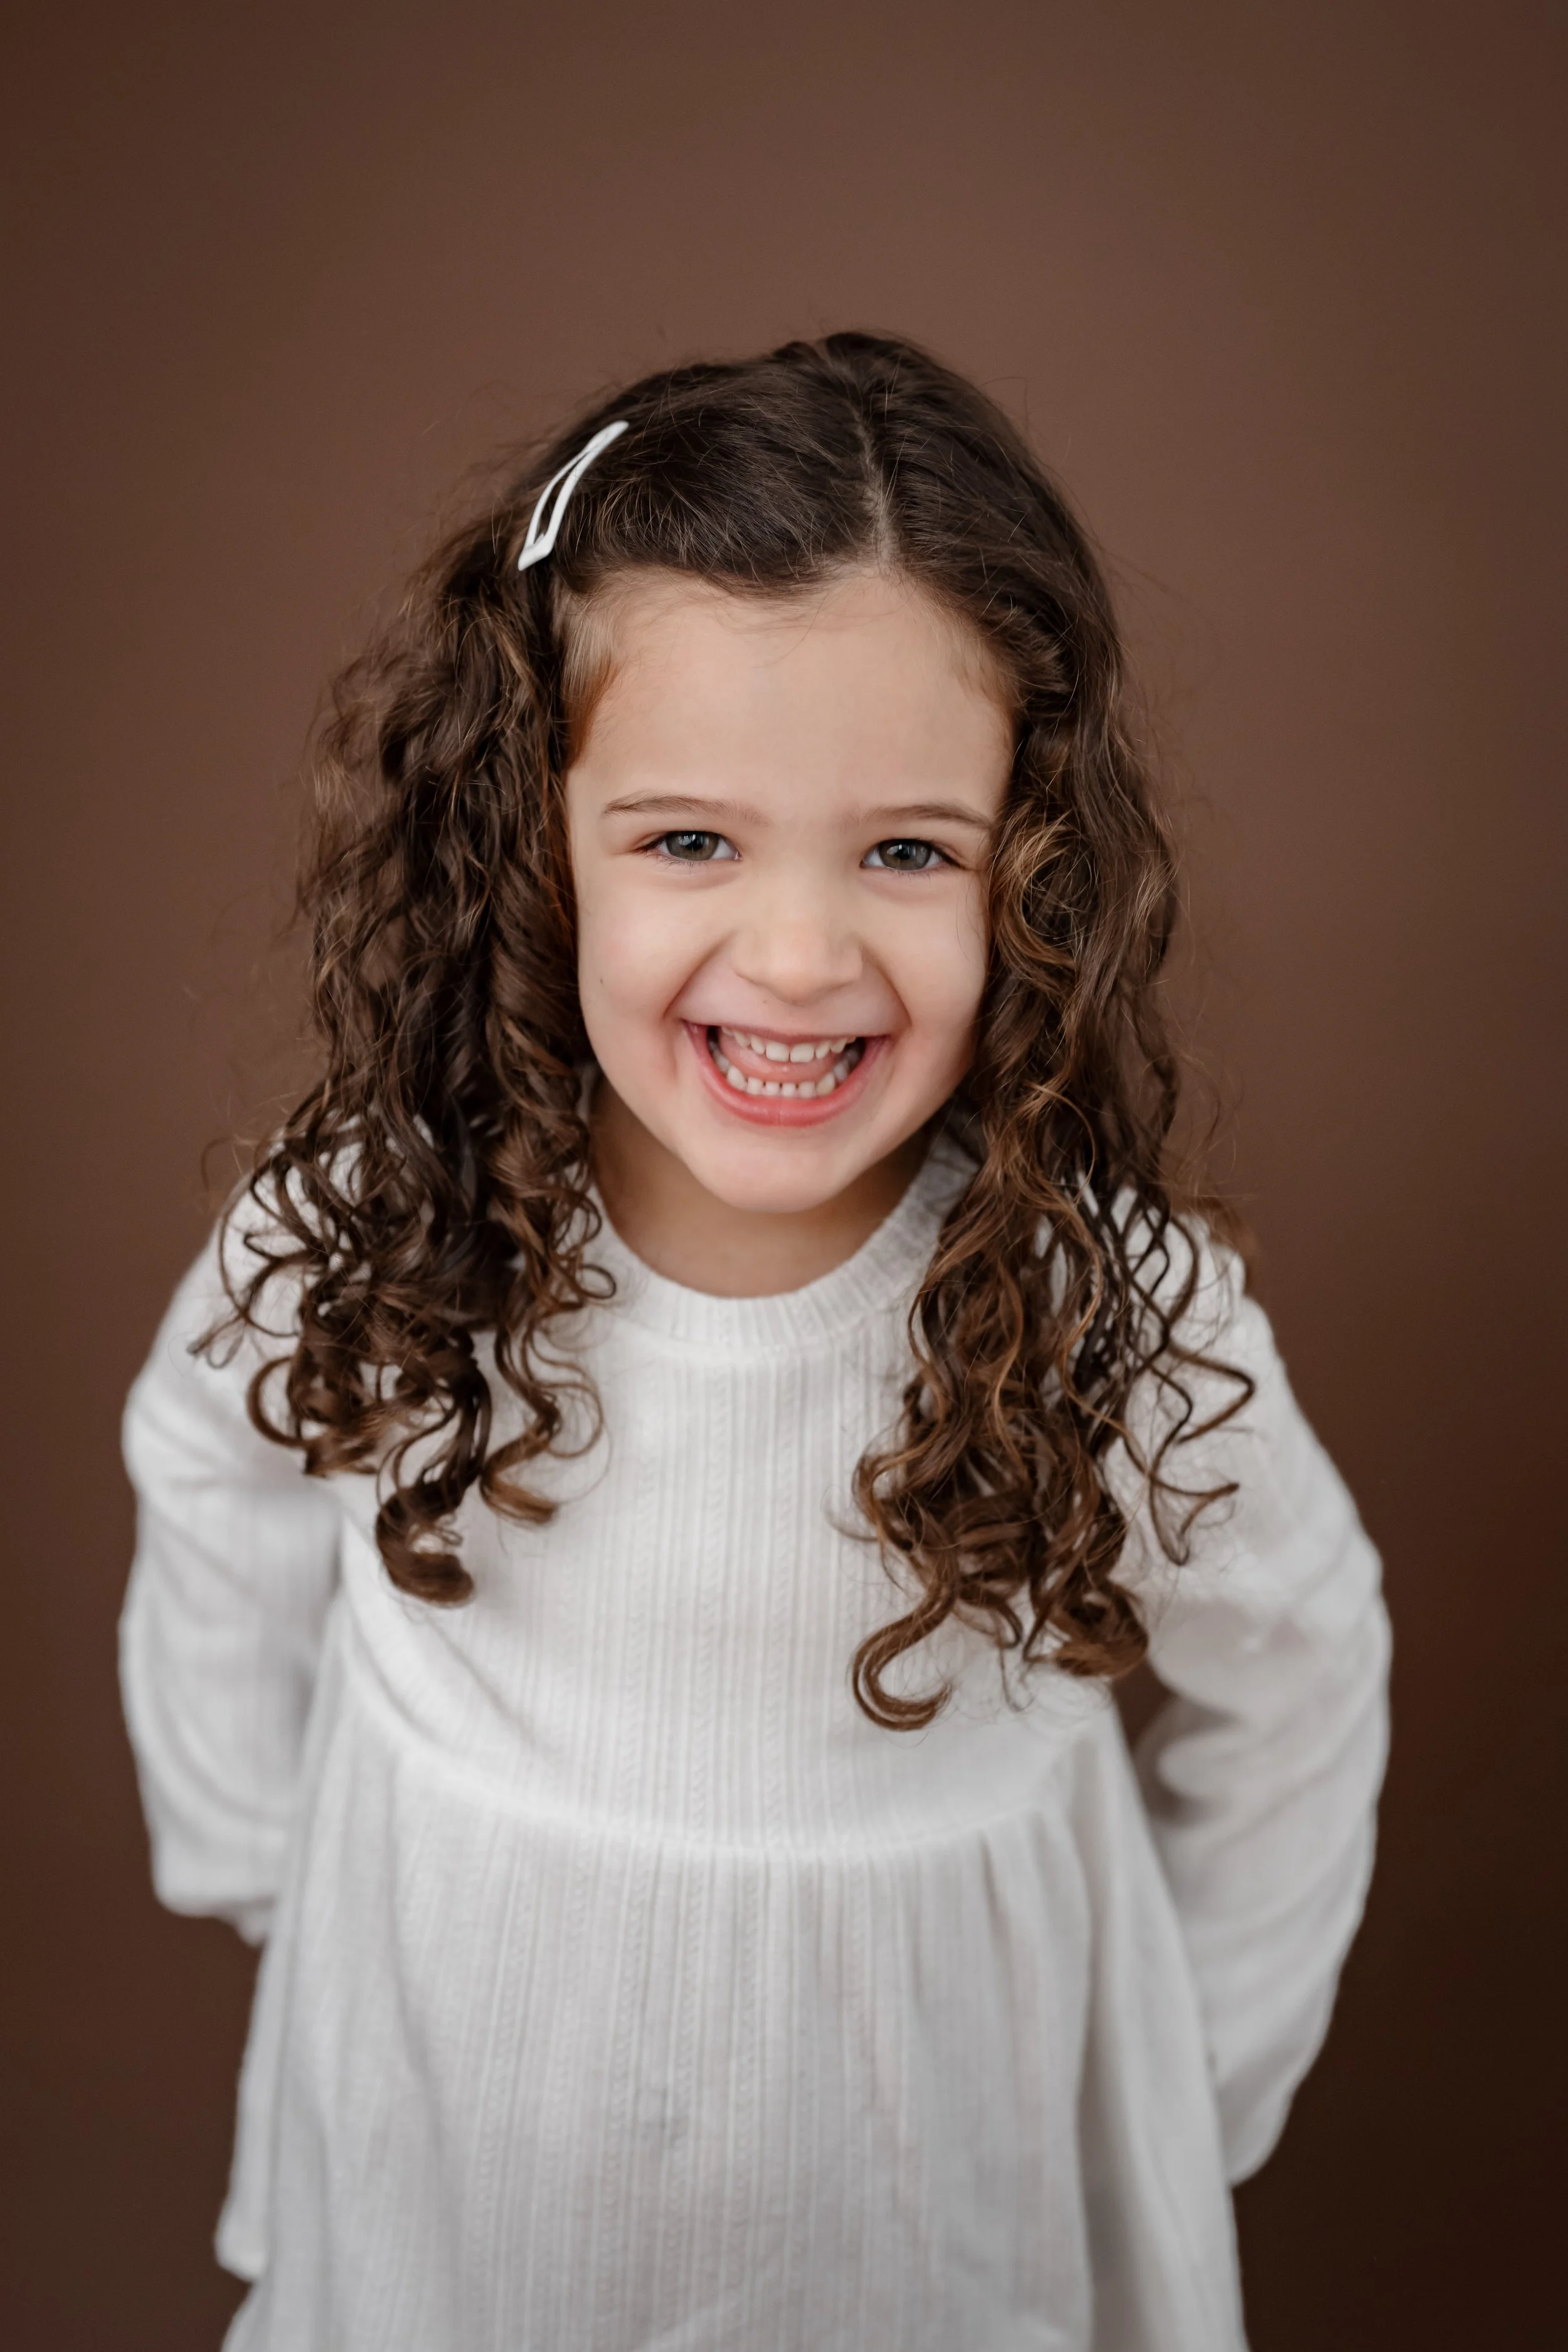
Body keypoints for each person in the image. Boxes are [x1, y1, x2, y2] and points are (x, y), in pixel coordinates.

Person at [120, 332, 1389, 2352]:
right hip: (463, 2198)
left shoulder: (1095, 1310)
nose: (797, 956)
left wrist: (1184, 2070)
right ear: (536, 840)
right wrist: (265, 1852)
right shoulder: (388, 1215)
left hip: (920, 2218)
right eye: (689, 839)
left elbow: (1302, 1667)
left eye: (905, 849)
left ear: (1030, 871)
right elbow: (207, 1465)